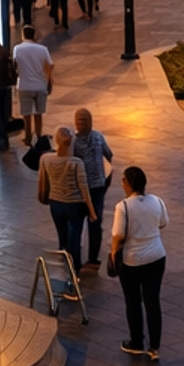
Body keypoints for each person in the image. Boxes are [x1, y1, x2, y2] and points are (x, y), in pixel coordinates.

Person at [111, 164, 168, 358]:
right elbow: (163, 223)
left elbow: (118, 234)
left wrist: (112, 253)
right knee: (153, 302)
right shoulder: (157, 201)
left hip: (133, 261)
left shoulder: (123, 206)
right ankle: (155, 347)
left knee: (133, 302)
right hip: (157, 257)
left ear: (127, 184)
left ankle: (136, 342)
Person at [38, 126, 97, 266]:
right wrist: (92, 211)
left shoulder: (46, 159)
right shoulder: (76, 162)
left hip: (55, 204)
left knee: (62, 238)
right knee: (74, 238)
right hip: (74, 205)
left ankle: (63, 264)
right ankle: (75, 269)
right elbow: (84, 188)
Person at [72, 106, 114, 266]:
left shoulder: (74, 141)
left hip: (82, 189)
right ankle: (93, 259)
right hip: (96, 187)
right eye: (80, 120)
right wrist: (105, 175)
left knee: (78, 225)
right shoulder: (98, 137)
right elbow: (109, 155)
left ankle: (78, 260)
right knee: (95, 223)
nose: (81, 123)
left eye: (83, 120)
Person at [12, 32, 53, 142]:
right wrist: (49, 81)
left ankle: (28, 136)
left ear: (23, 35)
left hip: (24, 85)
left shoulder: (17, 48)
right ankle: (39, 135)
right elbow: (50, 65)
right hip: (40, 84)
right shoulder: (42, 49)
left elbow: (14, 64)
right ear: (34, 35)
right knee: (38, 113)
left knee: (26, 113)